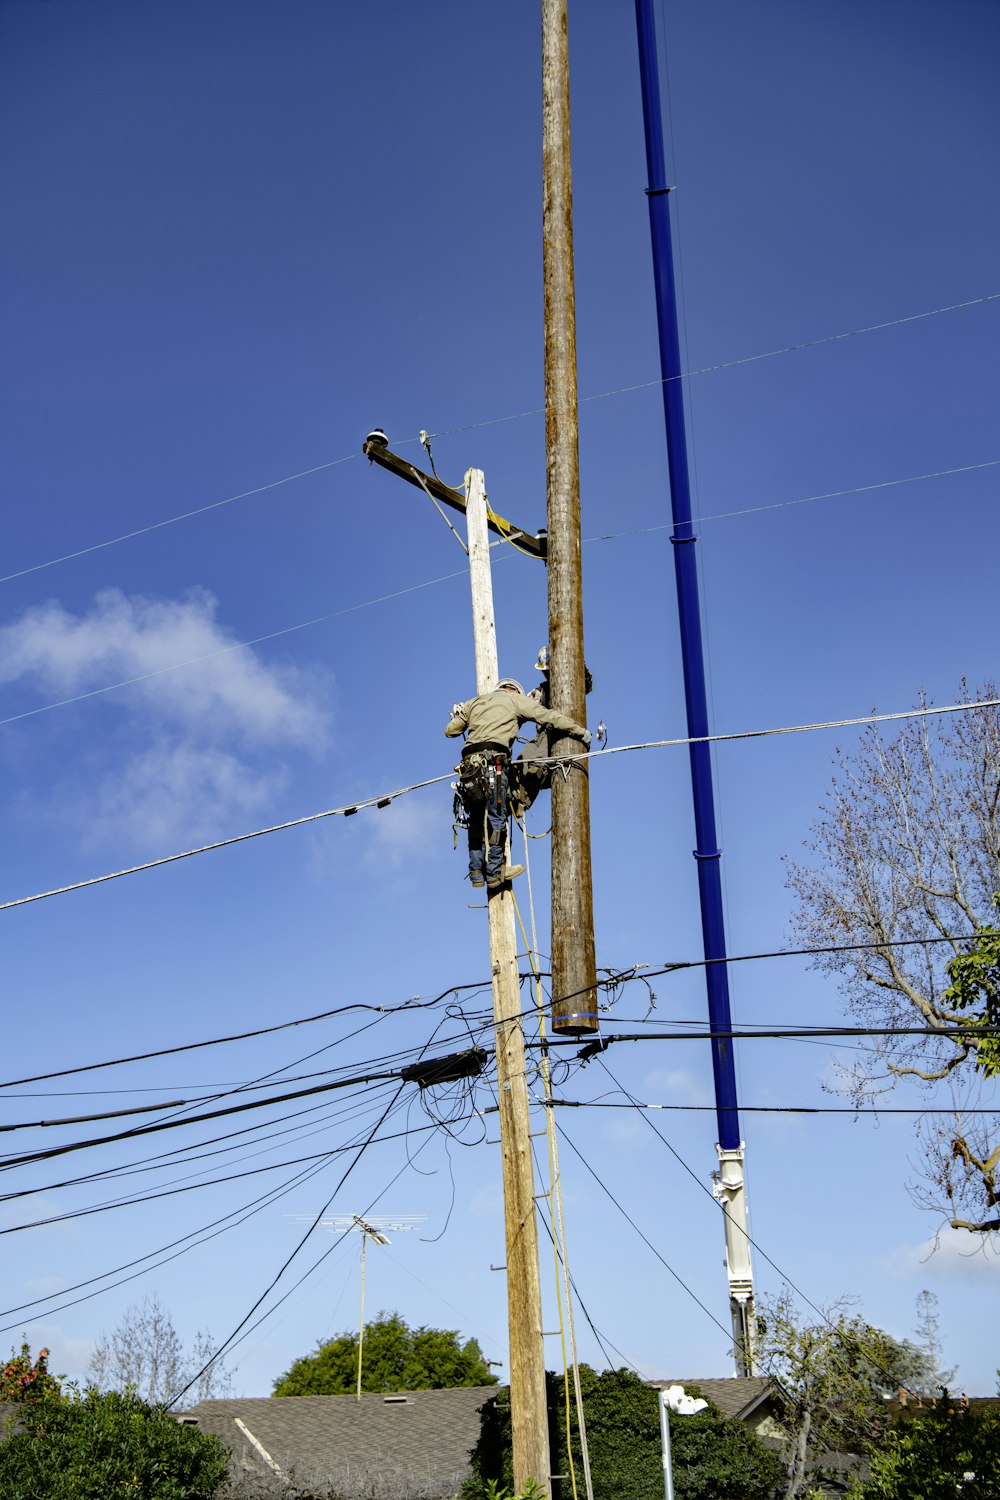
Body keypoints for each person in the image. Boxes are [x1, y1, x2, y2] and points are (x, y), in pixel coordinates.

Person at [446, 676, 591, 891]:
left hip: (469, 770)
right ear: (516, 691)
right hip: (494, 766)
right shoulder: (516, 701)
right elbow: (548, 717)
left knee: (475, 820)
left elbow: (451, 730)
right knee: (496, 819)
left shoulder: (474, 703)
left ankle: (476, 871)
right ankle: (495, 872)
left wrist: (460, 715)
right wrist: (580, 732)